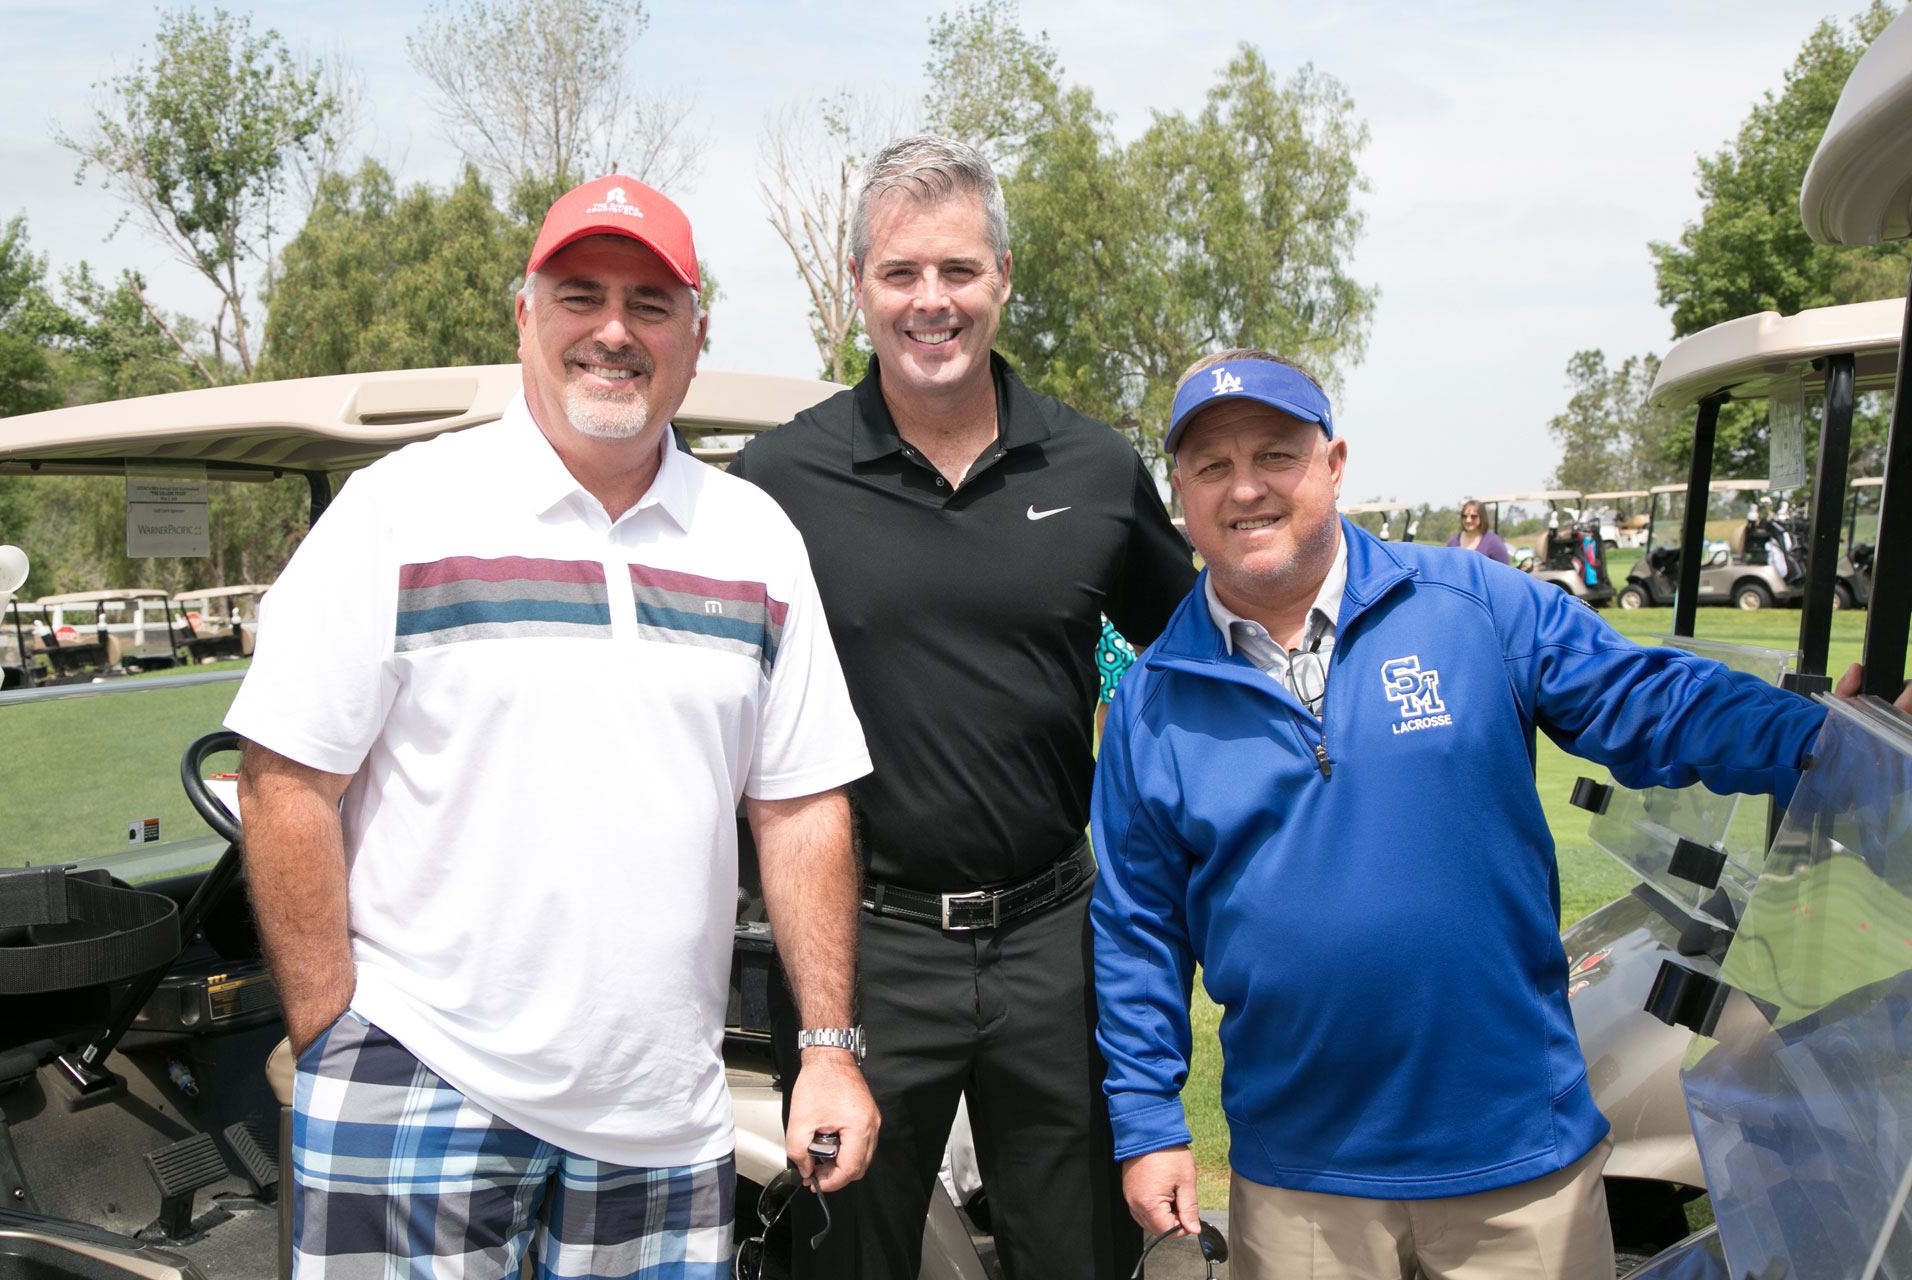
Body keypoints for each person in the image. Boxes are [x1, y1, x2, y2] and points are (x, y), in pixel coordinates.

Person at [1089, 348, 1912, 1280]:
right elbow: (1137, 928)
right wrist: (1149, 1123)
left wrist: (1823, 741)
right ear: (1183, 491)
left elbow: (1649, 699)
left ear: (1334, 464)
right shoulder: (1154, 697)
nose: (1246, 488)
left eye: (1275, 455)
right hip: (1300, 1184)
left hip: (1518, 1165)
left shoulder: (1472, 605)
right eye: (1213, 465)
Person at [228, 174, 879, 1280]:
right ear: (523, 316)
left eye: (650, 303)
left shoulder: (755, 538)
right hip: (418, 1079)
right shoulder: (398, 509)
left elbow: (802, 806)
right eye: (581, 296)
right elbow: (286, 778)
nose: (614, 331)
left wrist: (826, 1048)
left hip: (664, 1110)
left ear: (695, 338)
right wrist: (330, 1031)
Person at [726, 134, 1196, 1279]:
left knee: (1079, 1258)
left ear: (1003, 278)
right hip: (862, 952)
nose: (929, 300)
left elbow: (1195, 664)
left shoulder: (1093, 469)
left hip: (1055, 937)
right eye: (900, 272)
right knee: (848, 1262)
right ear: (858, 285)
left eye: (958, 269)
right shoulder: (778, 483)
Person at [1448, 497, 1512, 563]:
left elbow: (1504, 567)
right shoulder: (1453, 542)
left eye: (1473, 516)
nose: (1468, 520)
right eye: (1464, 516)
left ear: (1481, 517)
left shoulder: (1494, 542)